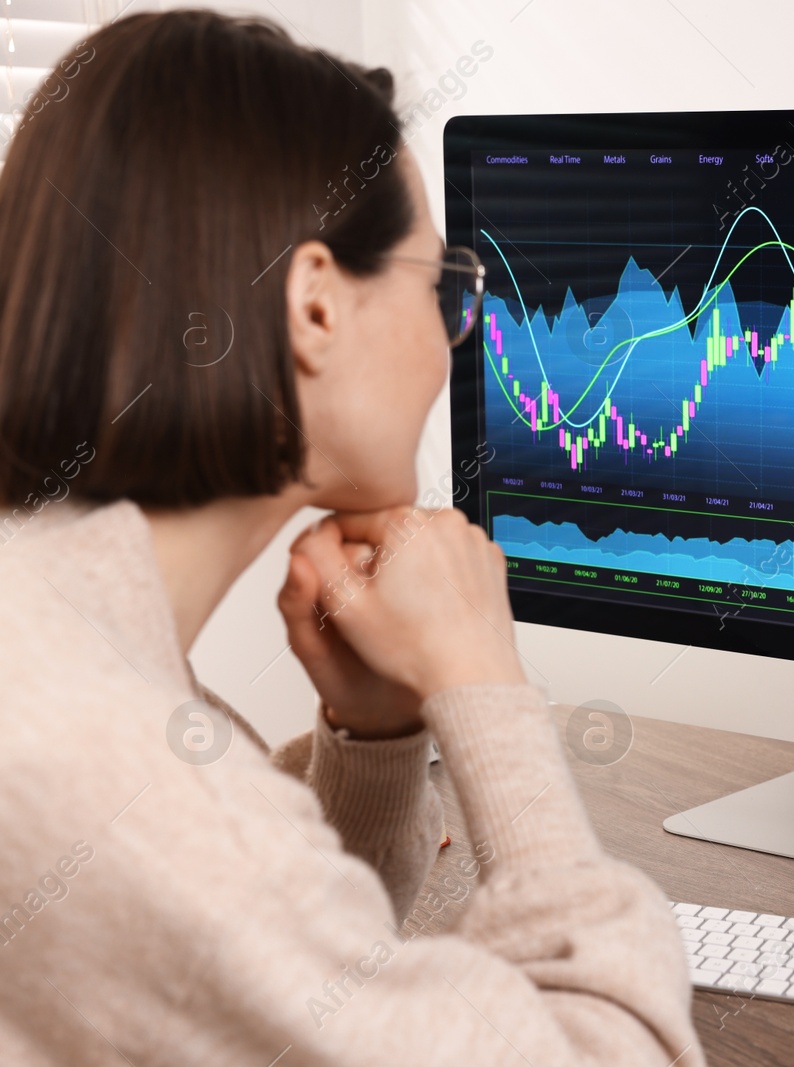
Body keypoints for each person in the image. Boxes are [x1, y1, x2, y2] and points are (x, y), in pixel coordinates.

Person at [0, 10, 703, 1066]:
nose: (450, 345)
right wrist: (480, 681)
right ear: (316, 308)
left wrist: (374, 734)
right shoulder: (128, 781)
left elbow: (288, 994)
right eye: (445, 291)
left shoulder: (54, 628)